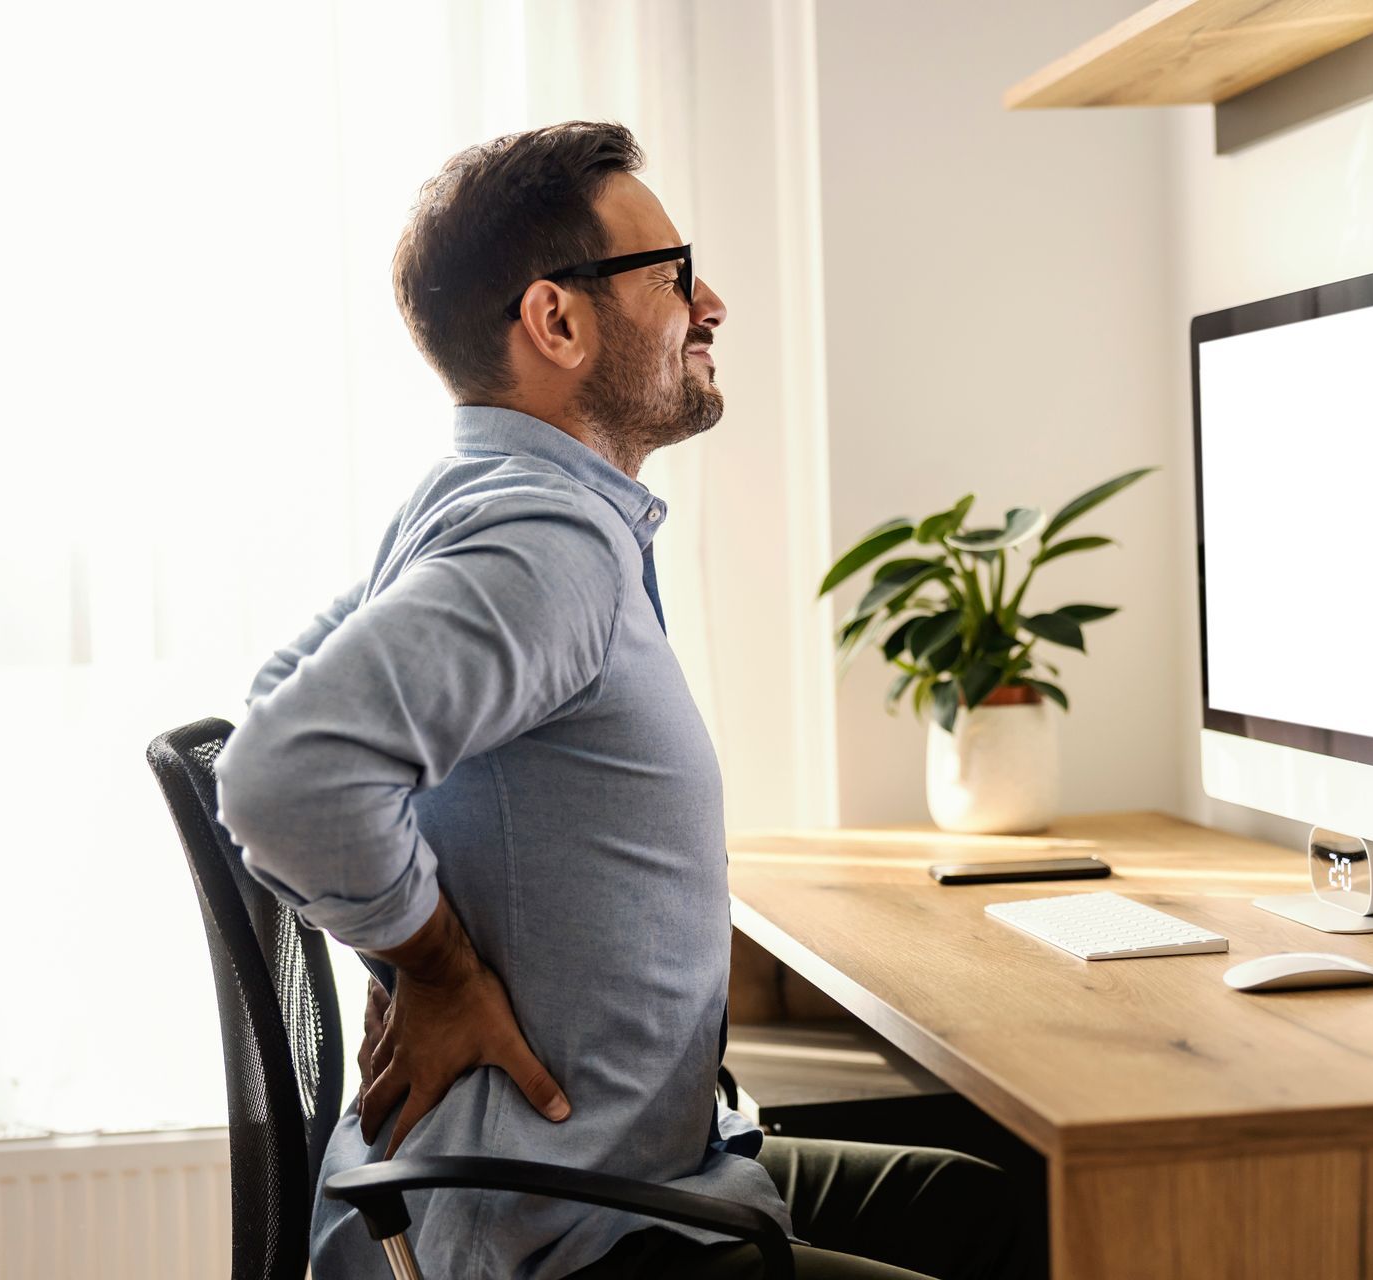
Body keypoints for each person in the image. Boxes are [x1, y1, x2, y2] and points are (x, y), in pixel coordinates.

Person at [215, 121, 1029, 1280]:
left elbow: (263, 710)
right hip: (571, 1231)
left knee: (973, 1203)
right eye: (676, 274)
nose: (715, 304)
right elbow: (279, 767)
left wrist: (400, 941)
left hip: (622, 1173)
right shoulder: (545, 538)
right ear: (557, 320)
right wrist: (431, 964)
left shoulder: (484, 496)